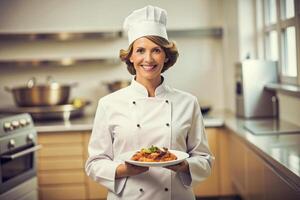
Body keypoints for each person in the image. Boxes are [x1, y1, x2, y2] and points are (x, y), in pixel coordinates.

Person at [85, 5, 213, 200]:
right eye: (140, 50)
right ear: (130, 56)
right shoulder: (108, 104)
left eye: (156, 50)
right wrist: (123, 169)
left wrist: (185, 165)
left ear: (166, 55)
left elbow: (204, 160)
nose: (148, 59)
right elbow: (94, 163)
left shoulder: (188, 102)